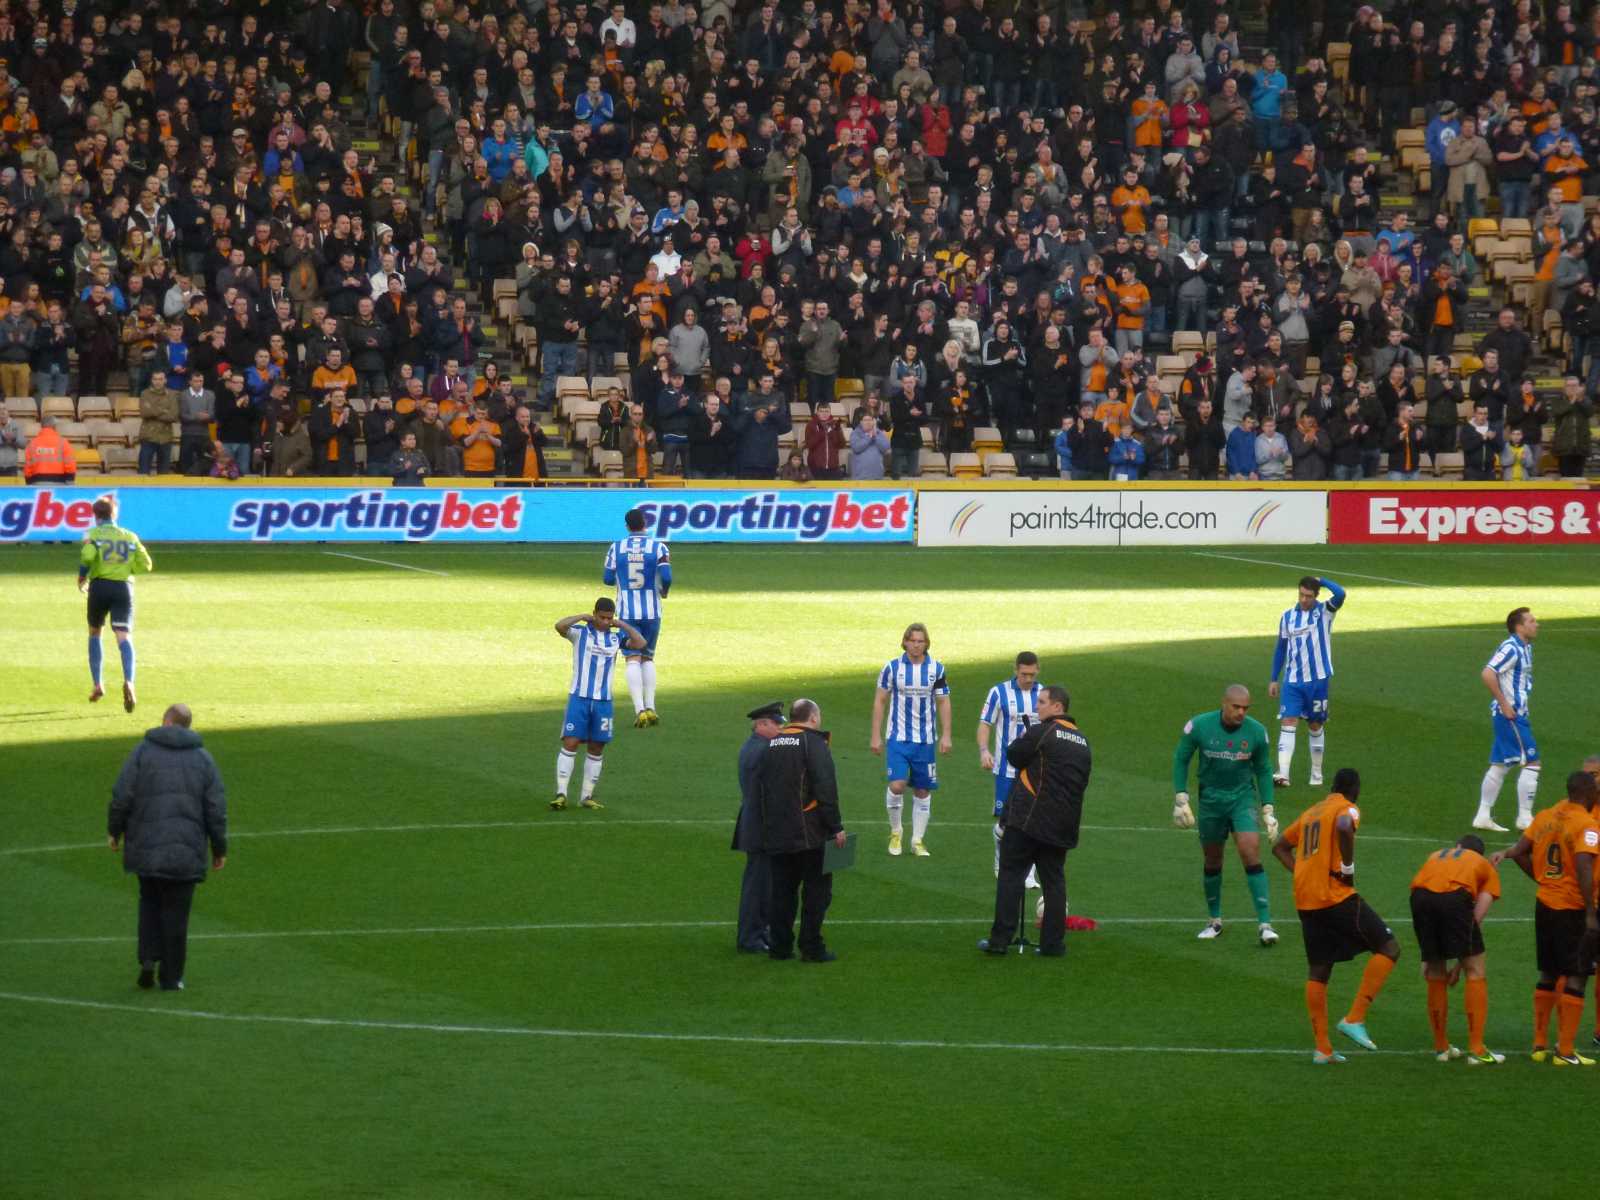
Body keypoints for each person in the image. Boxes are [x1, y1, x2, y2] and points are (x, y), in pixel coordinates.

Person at [1272, 768, 1402, 1063]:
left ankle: (1322, 1048)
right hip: (1334, 896)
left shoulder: (1311, 811)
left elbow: (1279, 846)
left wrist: (1302, 873)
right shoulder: (1347, 809)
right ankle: (1355, 1018)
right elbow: (1345, 826)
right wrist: (1347, 867)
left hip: (1306, 901)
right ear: (1354, 790)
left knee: (1319, 968)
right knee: (1389, 947)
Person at [107, 703, 227, 991]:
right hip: (186, 851)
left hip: (145, 846)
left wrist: (115, 831)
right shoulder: (203, 759)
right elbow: (215, 808)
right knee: (177, 913)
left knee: (149, 903)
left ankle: (148, 958)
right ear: (187, 726)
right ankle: (171, 977)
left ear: (165, 722)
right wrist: (219, 848)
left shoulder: (142, 752)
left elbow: (122, 795)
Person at [1494, 770, 1600, 1065]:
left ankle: (1539, 1044)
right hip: (1572, 907)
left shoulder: (1545, 816)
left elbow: (1518, 851)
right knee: (1577, 975)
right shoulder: (1586, 825)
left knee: (1548, 972)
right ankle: (1565, 1052)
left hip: (1545, 903)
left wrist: (1542, 879)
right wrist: (1590, 911)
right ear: (1588, 793)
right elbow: (1582, 864)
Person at [979, 686, 1092, 957]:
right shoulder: (1083, 741)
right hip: (1063, 823)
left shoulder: (1043, 731)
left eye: (1042, 702)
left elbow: (1015, 755)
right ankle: (1053, 944)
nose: (1037, 707)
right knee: (1054, 881)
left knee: (1011, 875)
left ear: (1057, 707)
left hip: (1029, 819)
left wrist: (1025, 737)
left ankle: (1000, 940)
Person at [1171, 684, 1279, 945]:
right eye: (1236, 707)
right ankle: (1215, 920)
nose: (1241, 712)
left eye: (1245, 708)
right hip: (1210, 801)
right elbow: (1181, 757)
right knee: (1212, 859)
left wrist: (1268, 808)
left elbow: (1264, 769)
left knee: (1250, 850)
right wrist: (1180, 797)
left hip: (1241, 799)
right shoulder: (1199, 726)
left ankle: (1265, 924)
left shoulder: (1256, 732)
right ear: (1224, 704)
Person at [755, 697, 847, 962]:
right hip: (810, 833)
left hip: (776, 829)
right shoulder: (814, 743)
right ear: (814, 718)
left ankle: (780, 947)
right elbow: (825, 788)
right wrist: (836, 826)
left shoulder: (771, 743)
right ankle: (811, 947)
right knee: (816, 892)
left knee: (782, 892)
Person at [1410, 834, 1504, 1064]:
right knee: (1476, 970)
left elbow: (1421, 890)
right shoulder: (1484, 866)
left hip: (1419, 898)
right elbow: (1475, 919)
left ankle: (1441, 1048)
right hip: (1454, 899)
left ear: (1458, 847)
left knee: (1434, 972)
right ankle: (1477, 1051)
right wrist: (1461, 966)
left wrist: (1428, 956)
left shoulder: (1436, 855)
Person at [551, 599, 646, 811]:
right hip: (579, 697)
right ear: (594, 614)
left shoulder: (616, 636)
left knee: (597, 746)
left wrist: (623, 625)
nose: (605, 621)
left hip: (603, 702)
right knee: (571, 742)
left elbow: (640, 644)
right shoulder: (579, 633)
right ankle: (561, 793)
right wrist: (581, 617)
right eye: (601, 617)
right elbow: (559, 626)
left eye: (609, 618)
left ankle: (586, 796)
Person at [870, 622, 952, 857]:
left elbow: (944, 701)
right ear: (905, 641)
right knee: (897, 784)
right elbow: (880, 701)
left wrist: (946, 735)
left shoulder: (936, 669)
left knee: (922, 790)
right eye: (912, 640)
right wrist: (876, 735)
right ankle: (896, 832)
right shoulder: (892, 668)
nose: (916, 645)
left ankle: (917, 840)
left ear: (926, 644)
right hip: (898, 738)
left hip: (925, 740)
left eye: (921, 641)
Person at [1269, 576, 1347, 788]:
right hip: (1292, 681)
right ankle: (1283, 774)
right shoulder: (1287, 617)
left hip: (1318, 681)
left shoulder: (1325, 612)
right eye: (1301, 595)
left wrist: (1321, 580)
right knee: (1288, 722)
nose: (1304, 599)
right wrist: (1274, 678)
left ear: (1316, 595)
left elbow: (1340, 593)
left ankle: (1316, 773)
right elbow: (1281, 648)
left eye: (1309, 596)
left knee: (1315, 725)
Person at [79, 497, 154, 713]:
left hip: (100, 587)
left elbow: (87, 556)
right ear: (115, 515)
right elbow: (146, 565)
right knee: (123, 636)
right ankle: (129, 680)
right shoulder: (129, 536)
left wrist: (81, 578)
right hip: (123, 588)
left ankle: (98, 684)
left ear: (96, 516)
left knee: (95, 633)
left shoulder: (92, 535)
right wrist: (128, 571)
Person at [602, 509, 673, 727]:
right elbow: (667, 577)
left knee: (632, 658)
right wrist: (664, 591)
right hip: (652, 611)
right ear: (645, 523)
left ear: (627, 526)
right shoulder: (659, 546)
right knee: (648, 657)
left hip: (627, 612)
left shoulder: (616, 547)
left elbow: (607, 578)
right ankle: (651, 707)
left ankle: (639, 709)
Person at [1474, 607, 1539, 833]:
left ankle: (1482, 815)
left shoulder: (1526, 647)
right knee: (1533, 762)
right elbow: (1488, 673)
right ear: (1519, 626)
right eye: (1531, 621)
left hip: (1513, 713)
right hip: (1510, 715)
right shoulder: (1511, 647)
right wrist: (1504, 703)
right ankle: (1524, 817)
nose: (1536, 624)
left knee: (1500, 765)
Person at [978, 652, 1041, 887]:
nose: (1028, 678)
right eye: (1024, 674)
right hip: (1006, 769)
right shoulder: (999, 692)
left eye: (1032, 675)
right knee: (1006, 826)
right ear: (1015, 670)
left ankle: (1028, 874)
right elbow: (985, 723)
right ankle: (1000, 864)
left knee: (1033, 822)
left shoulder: (1043, 694)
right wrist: (984, 750)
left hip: (1034, 771)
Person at [733, 701, 784, 955]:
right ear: (762, 724)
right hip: (762, 827)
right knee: (759, 886)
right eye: (776, 724)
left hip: (757, 825)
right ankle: (751, 937)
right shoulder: (763, 751)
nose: (780, 729)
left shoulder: (755, 747)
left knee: (762, 884)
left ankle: (758, 933)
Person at [23, 415, 77, 483]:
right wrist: (70, 481)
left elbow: (28, 470)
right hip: (59, 485)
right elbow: (70, 466)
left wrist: (30, 482)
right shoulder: (63, 442)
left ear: (41, 427)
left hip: (37, 484)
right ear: (54, 427)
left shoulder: (32, 444)